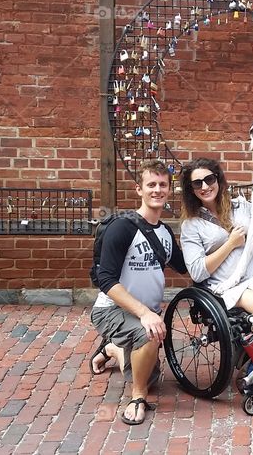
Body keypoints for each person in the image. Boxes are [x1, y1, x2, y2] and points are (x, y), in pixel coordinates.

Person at [179, 158, 253, 390]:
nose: (204, 186)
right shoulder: (191, 225)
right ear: (191, 190)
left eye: (209, 179)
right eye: (197, 183)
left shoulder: (243, 207)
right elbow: (197, 271)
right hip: (226, 283)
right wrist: (230, 244)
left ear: (218, 180)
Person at [89, 159, 187, 425]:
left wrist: (232, 244)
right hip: (112, 309)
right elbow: (106, 280)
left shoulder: (165, 232)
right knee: (149, 336)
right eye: (151, 184)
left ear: (169, 190)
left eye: (163, 185)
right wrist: (144, 313)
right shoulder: (123, 227)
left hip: (146, 314)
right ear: (139, 189)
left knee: (151, 376)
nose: (157, 189)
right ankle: (137, 398)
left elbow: (187, 268)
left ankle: (114, 350)